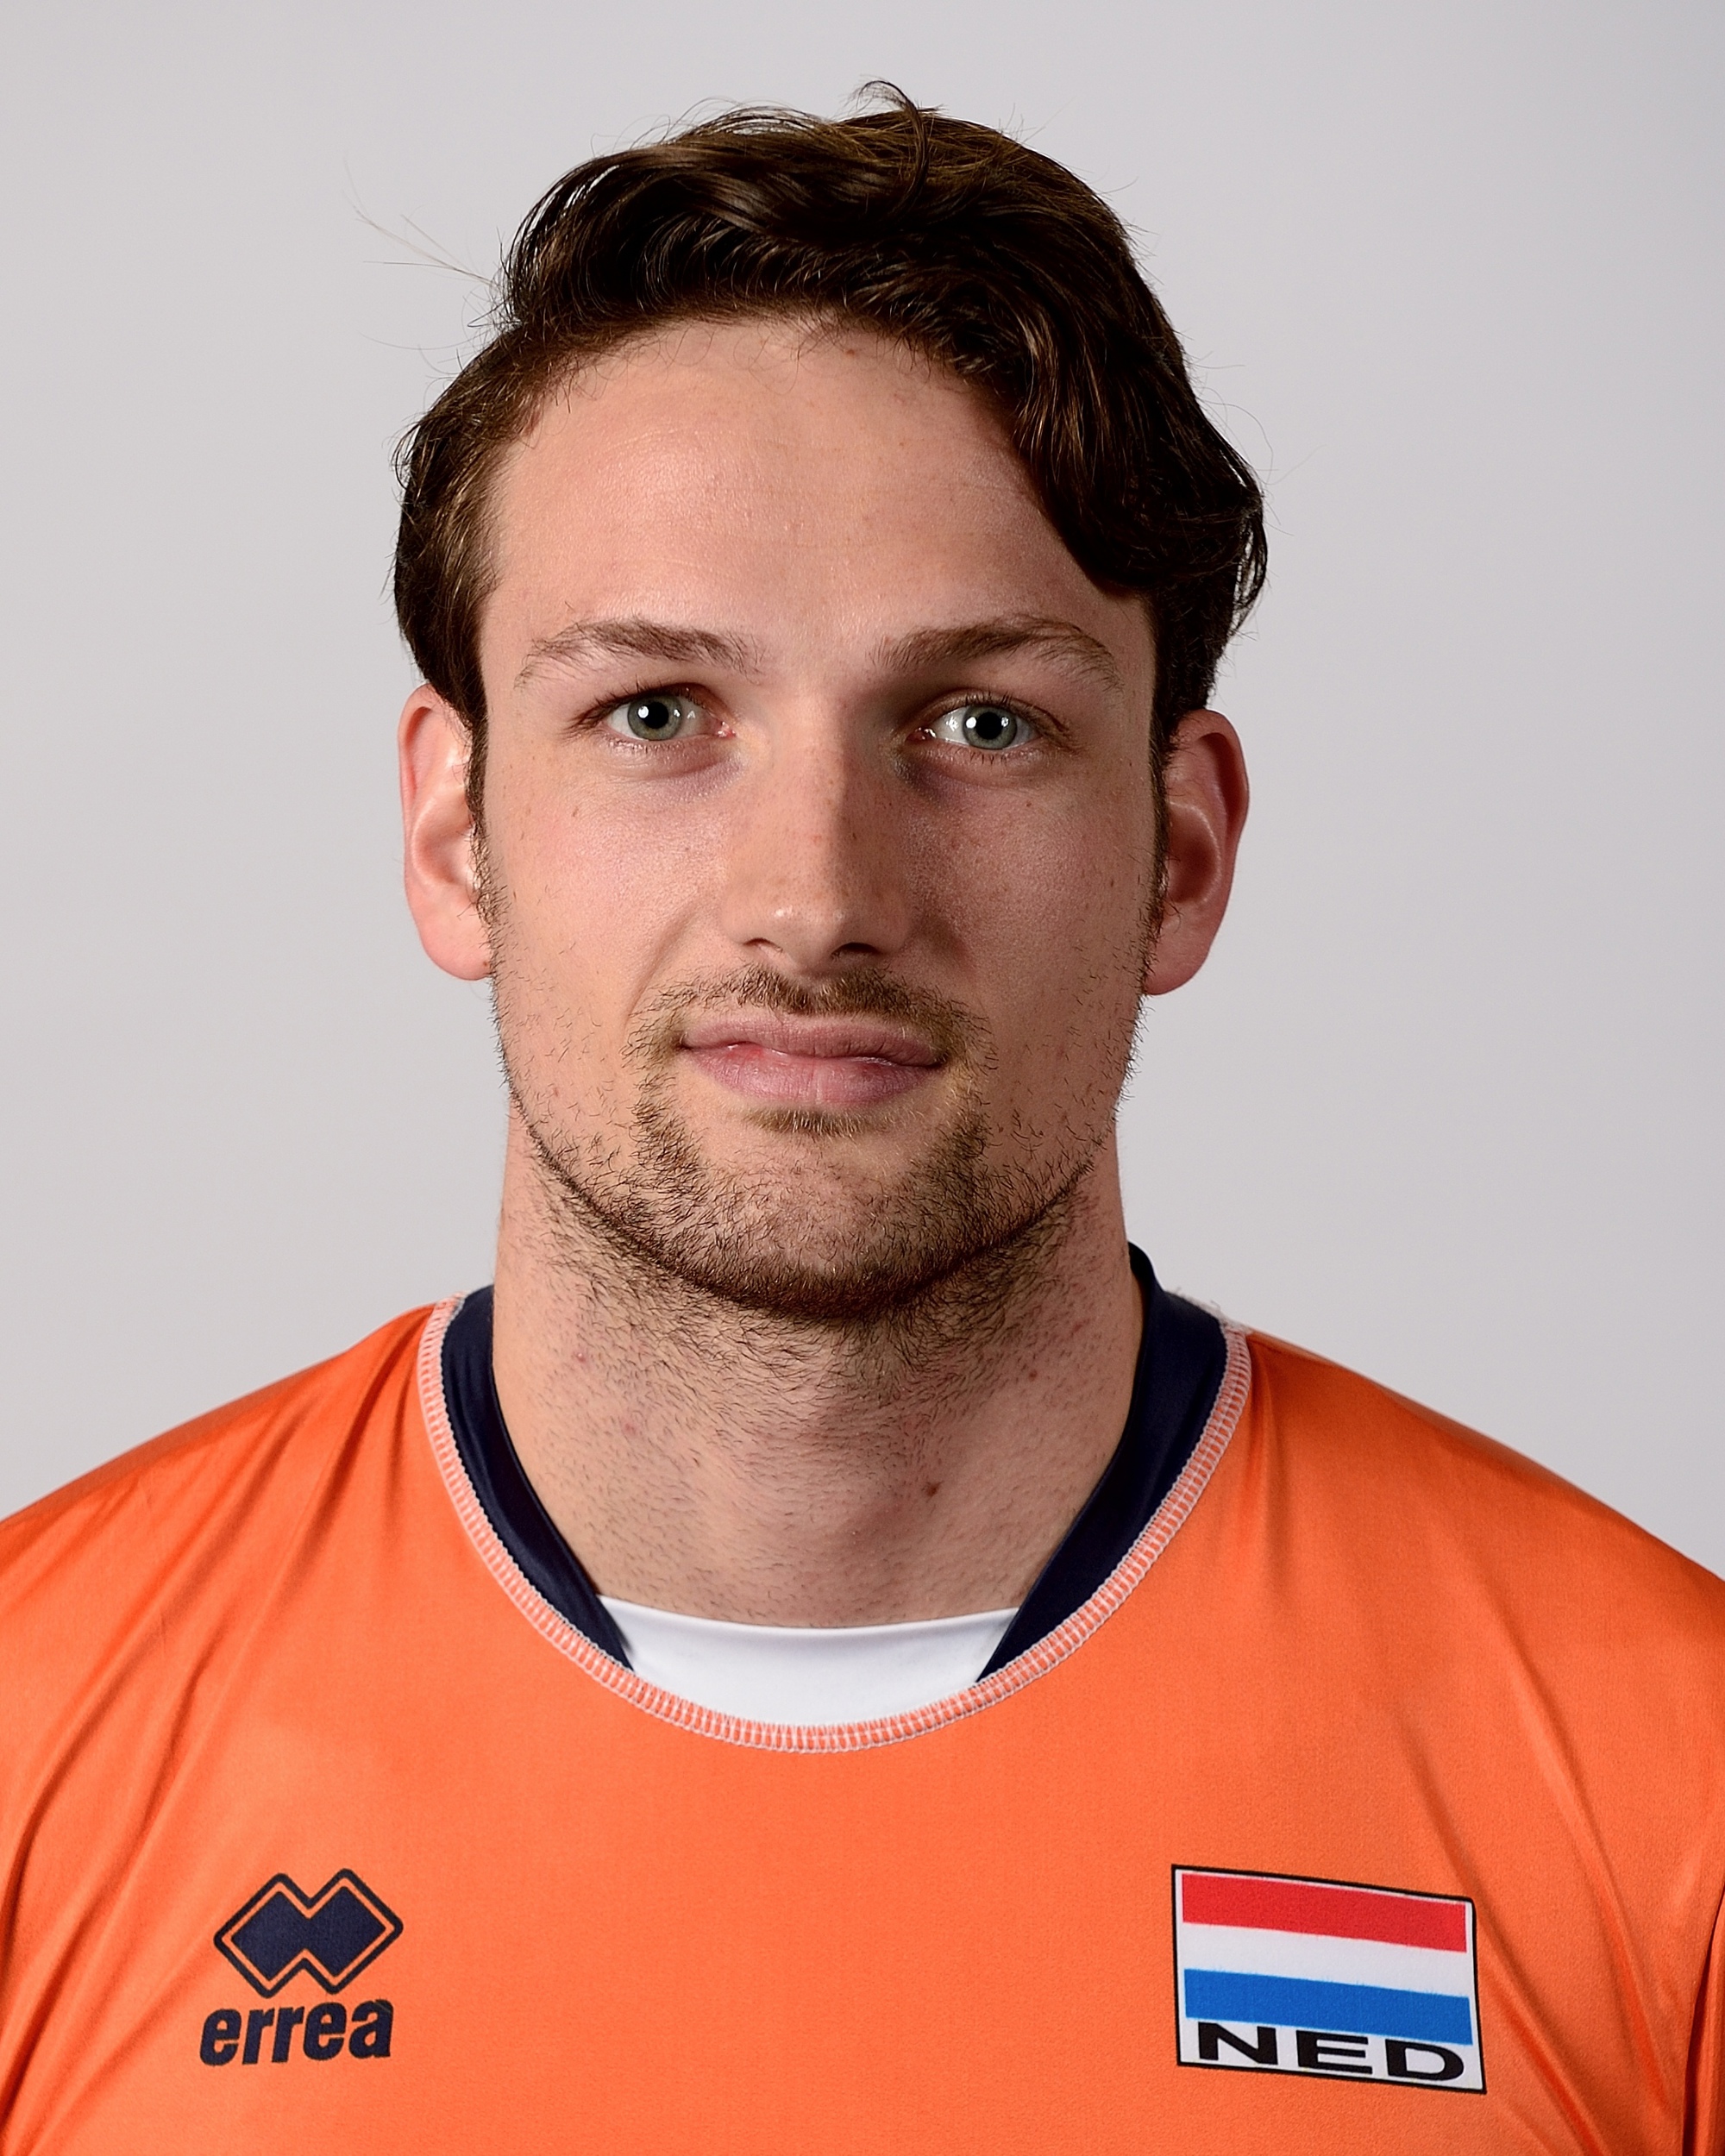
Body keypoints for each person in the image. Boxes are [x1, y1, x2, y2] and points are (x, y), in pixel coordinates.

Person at [1, 89, 1721, 2156]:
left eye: (980, 721)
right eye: (656, 712)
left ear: (1178, 853)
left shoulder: (1668, 1777)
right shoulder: (35, 1729)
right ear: (455, 834)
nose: (815, 892)